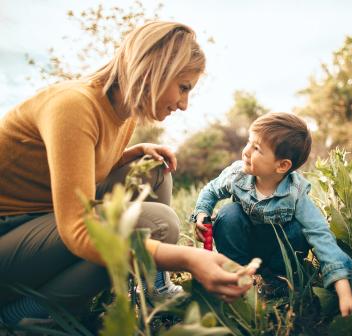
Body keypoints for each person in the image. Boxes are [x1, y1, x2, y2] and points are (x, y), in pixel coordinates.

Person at [0, 21, 253, 326]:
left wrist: (125, 156)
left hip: (38, 217)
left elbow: (65, 168)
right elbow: (79, 231)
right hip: (9, 234)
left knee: (154, 171)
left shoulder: (123, 114)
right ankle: (23, 315)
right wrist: (187, 258)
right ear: (154, 69)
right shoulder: (73, 106)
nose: (185, 104)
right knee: (156, 223)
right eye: (183, 87)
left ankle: (155, 288)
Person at [192, 112, 352, 316]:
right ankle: (237, 275)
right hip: (246, 241)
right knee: (229, 214)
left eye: (257, 148)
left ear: (282, 165)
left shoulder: (295, 193)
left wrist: (341, 282)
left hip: (279, 251)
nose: (246, 152)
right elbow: (211, 190)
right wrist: (201, 214)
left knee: (300, 229)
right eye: (249, 142)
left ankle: (277, 280)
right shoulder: (238, 175)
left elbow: (319, 232)